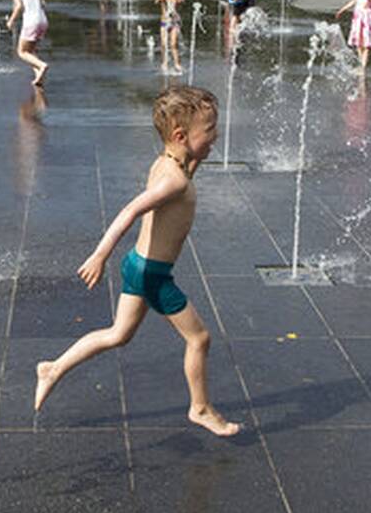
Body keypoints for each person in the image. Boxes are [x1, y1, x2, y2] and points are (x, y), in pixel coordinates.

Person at [34, 85, 242, 438]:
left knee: (118, 334)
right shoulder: (174, 180)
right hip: (153, 275)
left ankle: (52, 368)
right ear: (181, 136)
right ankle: (200, 408)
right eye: (209, 129)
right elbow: (130, 210)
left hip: (138, 264)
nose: (216, 135)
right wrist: (100, 254)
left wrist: (195, 157)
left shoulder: (168, 163)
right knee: (199, 339)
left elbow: (184, 174)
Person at [6, 0, 49, 86]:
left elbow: (19, 6)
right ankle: (38, 75)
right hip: (43, 21)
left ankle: (42, 65)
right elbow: (43, 4)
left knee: (22, 52)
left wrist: (11, 20)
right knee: (31, 50)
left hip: (31, 21)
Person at [155, 0, 185, 74]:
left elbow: (181, 4)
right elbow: (157, 2)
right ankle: (164, 62)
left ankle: (177, 63)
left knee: (173, 44)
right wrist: (160, 0)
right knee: (164, 44)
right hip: (164, 23)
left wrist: (179, 2)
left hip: (175, 24)